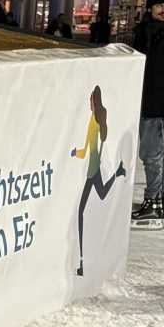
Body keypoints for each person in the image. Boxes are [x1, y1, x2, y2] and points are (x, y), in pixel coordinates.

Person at [70, 84, 126, 276]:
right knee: (99, 195)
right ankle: (118, 172)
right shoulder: (93, 120)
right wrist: (73, 152)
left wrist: (74, 153)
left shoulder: (95, 120)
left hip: (93, 168)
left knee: (80, 212)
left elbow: (91, 147)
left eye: (91, 99)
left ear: (95, 101)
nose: (89, 102)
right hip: (92, 167)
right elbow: (85, 150)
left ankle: (82, 263)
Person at [131, 0, 164, 225]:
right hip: (146, 101)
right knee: (159, 155)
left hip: (158, 104)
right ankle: (162, 199)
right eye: (159, 5)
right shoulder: (143, 32)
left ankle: (153, 200)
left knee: (152, 154)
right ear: (150, 7)